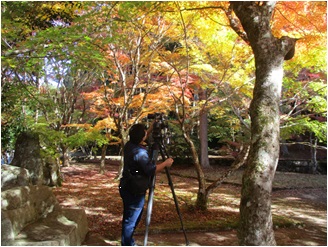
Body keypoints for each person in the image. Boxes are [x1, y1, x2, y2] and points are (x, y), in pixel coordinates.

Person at [119, 123, 174, 246]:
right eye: (144, 133)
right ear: (141, 137)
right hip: (135, 190)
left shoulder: (130, 145)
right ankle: (128, 244)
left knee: (128, 217)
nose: (146, 134)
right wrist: (166, 163)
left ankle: (127, 242)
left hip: (126, 186)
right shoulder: (140, 153)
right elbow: (151, 170)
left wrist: (151, 127)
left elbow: (140, 136)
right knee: (131, 220)